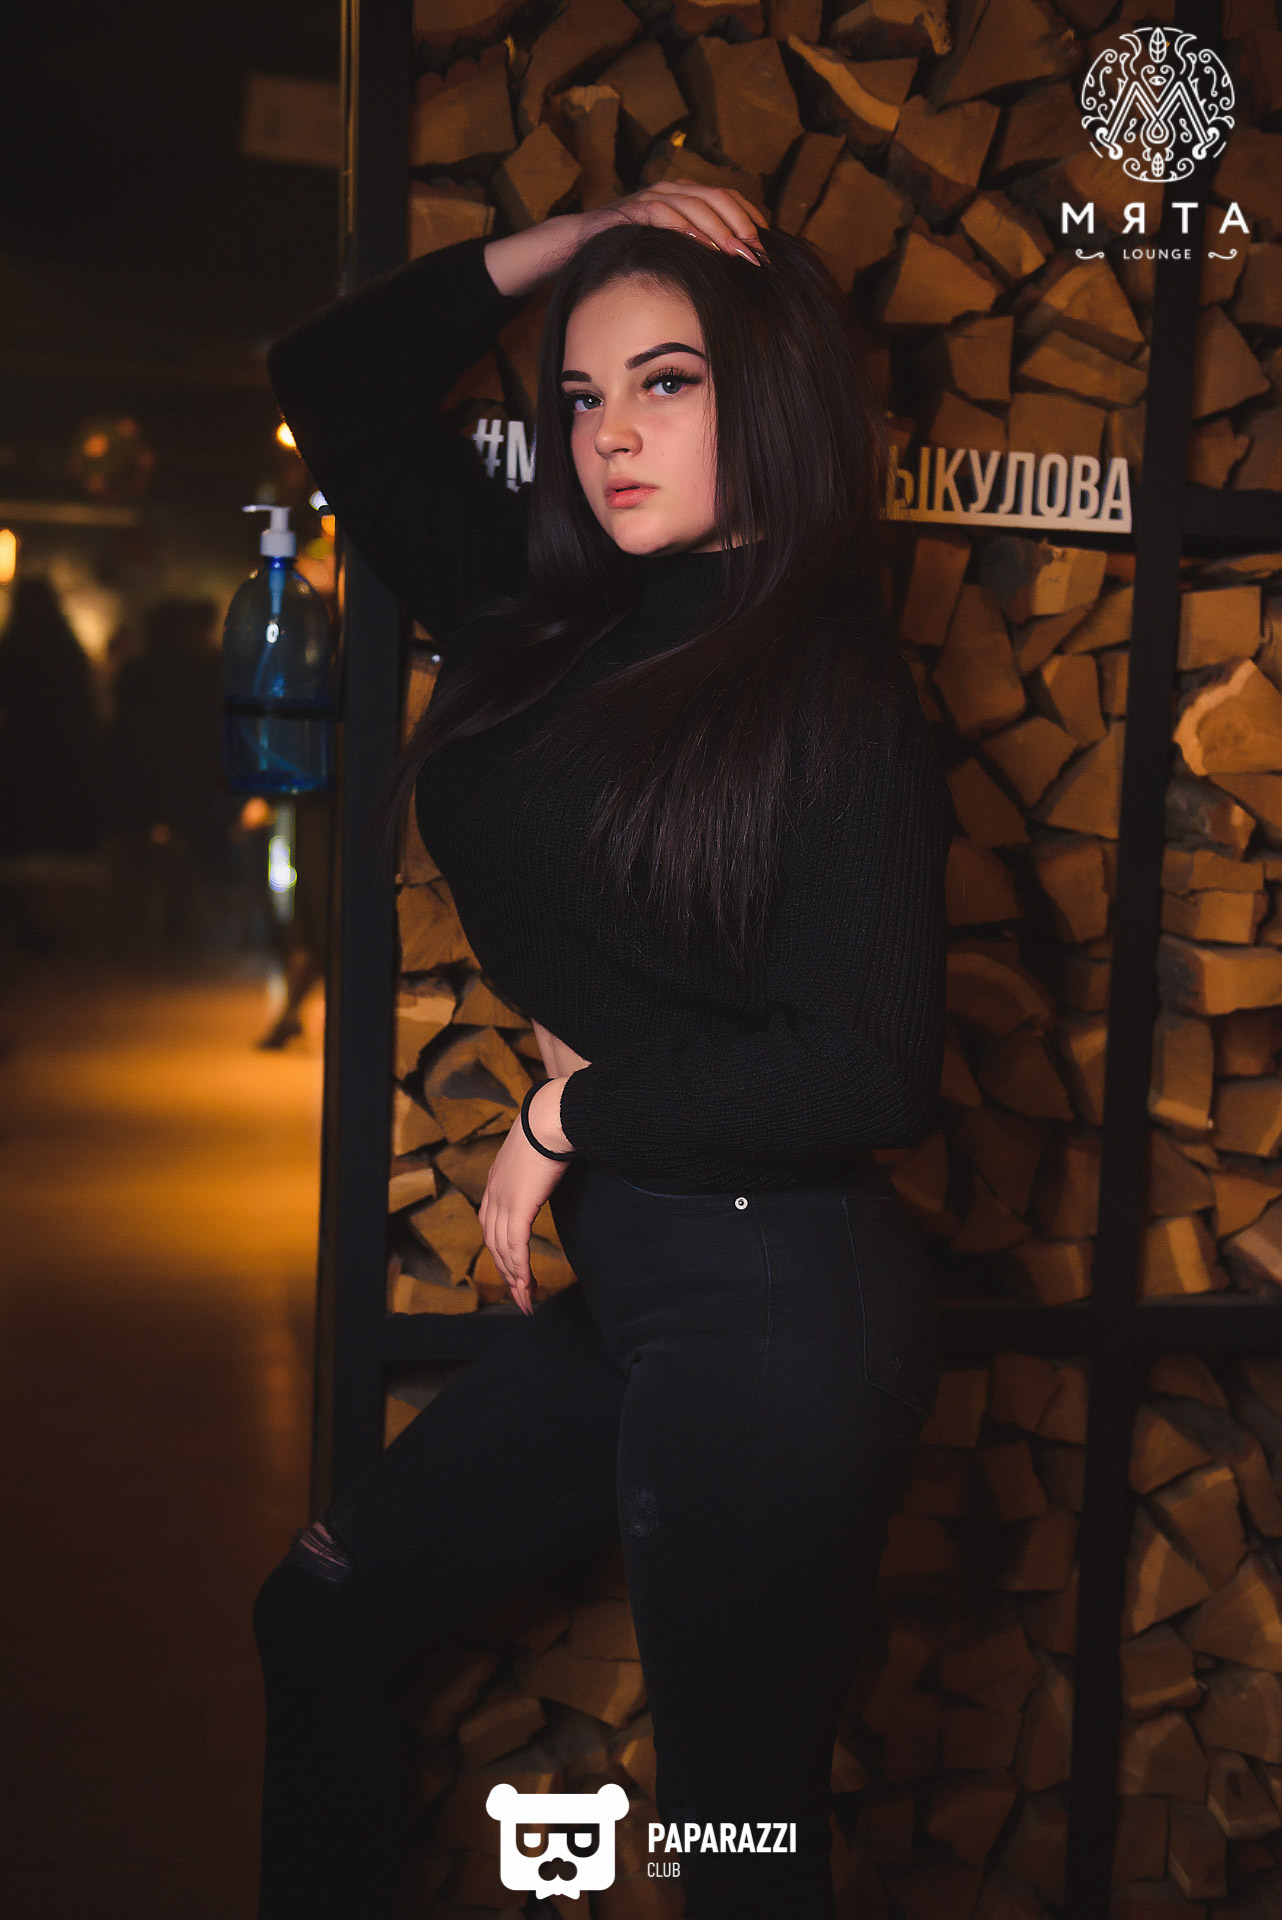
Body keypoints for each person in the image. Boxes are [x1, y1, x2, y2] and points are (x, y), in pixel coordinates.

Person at [251, 184, 958, 1919]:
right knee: (320, 1613)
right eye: (580, 395)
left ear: (765, 390)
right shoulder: (538, 604)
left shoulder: (833, 688)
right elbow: (329, 379)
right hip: (647, 1286)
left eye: (667, 382)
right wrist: (588, 233)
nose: (610, 437)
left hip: (779, 1303)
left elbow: (866, 1068)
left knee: (736, 1841)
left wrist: (574, 1110)